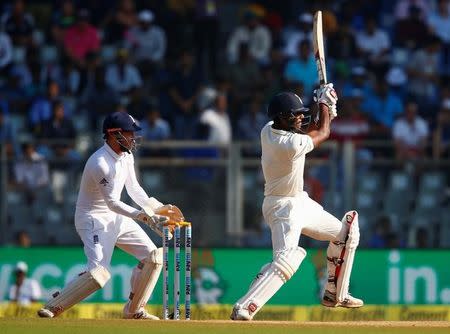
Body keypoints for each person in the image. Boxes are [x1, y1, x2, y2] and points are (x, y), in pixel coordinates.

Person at [230, 84, 363, 321]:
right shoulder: (287, 144)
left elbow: (311, 131)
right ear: (282, 117)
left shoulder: (268, 129)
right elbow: (321, 134)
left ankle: (336, 293)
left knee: (346, 233)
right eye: (296, 114)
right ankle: (245, 306)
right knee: (288, 258)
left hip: (299, 201)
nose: (301, 117)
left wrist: (326, 111)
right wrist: (324, 105)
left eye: (302, 112)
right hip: (282, 207)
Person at [38, 111, 184, 319]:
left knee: (154, 257)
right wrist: (144, 217)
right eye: (129, 133)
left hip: (117, 218)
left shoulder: (126, 156)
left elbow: (134, 190)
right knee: (99, 275)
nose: (133, 138)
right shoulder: (100, 163)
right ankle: (53, 306)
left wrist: (157, 209)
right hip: (93, 219)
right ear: (114, 134)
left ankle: (135, 311)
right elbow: (112, 203)